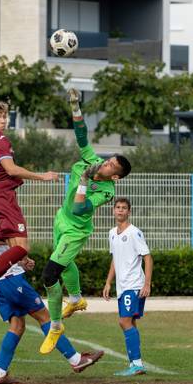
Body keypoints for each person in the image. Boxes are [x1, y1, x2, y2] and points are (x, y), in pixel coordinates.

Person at [39, 89, 132, 355]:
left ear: (115, 177)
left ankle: (55, 325)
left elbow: (80, 209)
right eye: (108, 161)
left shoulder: (107, 192)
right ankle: (77, 299)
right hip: (61, 219)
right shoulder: (92, 160)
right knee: (65, 263)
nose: (105, 164)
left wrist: (82, 181)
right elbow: (81, 135)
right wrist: (75, 105)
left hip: (75, 230)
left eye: (111, 167)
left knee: (50, 274)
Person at [0, 213, 102, 384]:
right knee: (45, 316)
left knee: (17, 325)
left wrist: (20, 258)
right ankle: (75, 360)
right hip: (12, 279)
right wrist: (19, 246)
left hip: (0, 280)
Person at [0, 100, 58, 311]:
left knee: (17, 246)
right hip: (2, 195)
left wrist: (23, 258)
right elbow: (11, 169)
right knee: (21, 245)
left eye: (4, 116)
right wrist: (42, 176)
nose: (3, 120)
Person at [102, 197, 153, 376]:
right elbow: (115, 260)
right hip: (122, 287)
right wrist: (108, 282)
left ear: (129, 212)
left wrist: (147, 283)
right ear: (113, 211)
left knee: (124, 321)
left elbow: (147, 257)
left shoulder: (134, 232)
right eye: (117, 207)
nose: (120, 210)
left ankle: (137, 364)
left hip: (134, 284)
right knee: (130, 322)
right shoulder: (112, 233)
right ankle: (135, 363)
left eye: (124, 208)